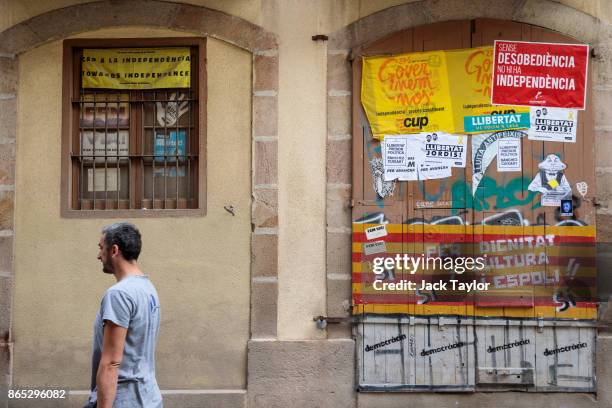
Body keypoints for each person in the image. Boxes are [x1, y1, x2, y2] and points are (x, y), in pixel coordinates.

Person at [85, 222, 162, 408]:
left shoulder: (119, 294)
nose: (98, 255)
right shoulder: (148, 288)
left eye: (101, 248)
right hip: (150, 399)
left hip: (124, 401)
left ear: (114, 250)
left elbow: (111, 363)